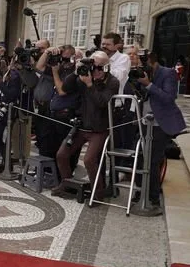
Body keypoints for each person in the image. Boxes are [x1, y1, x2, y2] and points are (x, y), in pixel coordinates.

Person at [51, 51, 120, 199]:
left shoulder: (113, 82)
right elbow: (66, 88)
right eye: (93, 67)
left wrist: (90, 85)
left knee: (89, 160)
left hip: (99, 129)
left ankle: (98, 192)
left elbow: (102, 102)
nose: (95, 71)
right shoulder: (84, 77)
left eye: (99, 68)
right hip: (81, 125)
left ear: (106, 68)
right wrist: (76, 72)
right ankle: (67, 184)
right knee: (62, 154)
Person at [135, 51, 187, 213]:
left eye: (144, 64)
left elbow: (168, 97)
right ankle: (140, 192)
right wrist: (137, 83)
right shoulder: (143, 73)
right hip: (144, 122)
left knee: (152, 161)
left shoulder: (168, 73)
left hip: (159, 124)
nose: (142, 67)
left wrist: (148, 84)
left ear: (152, 62)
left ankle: (153, 197)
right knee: (141, 158)